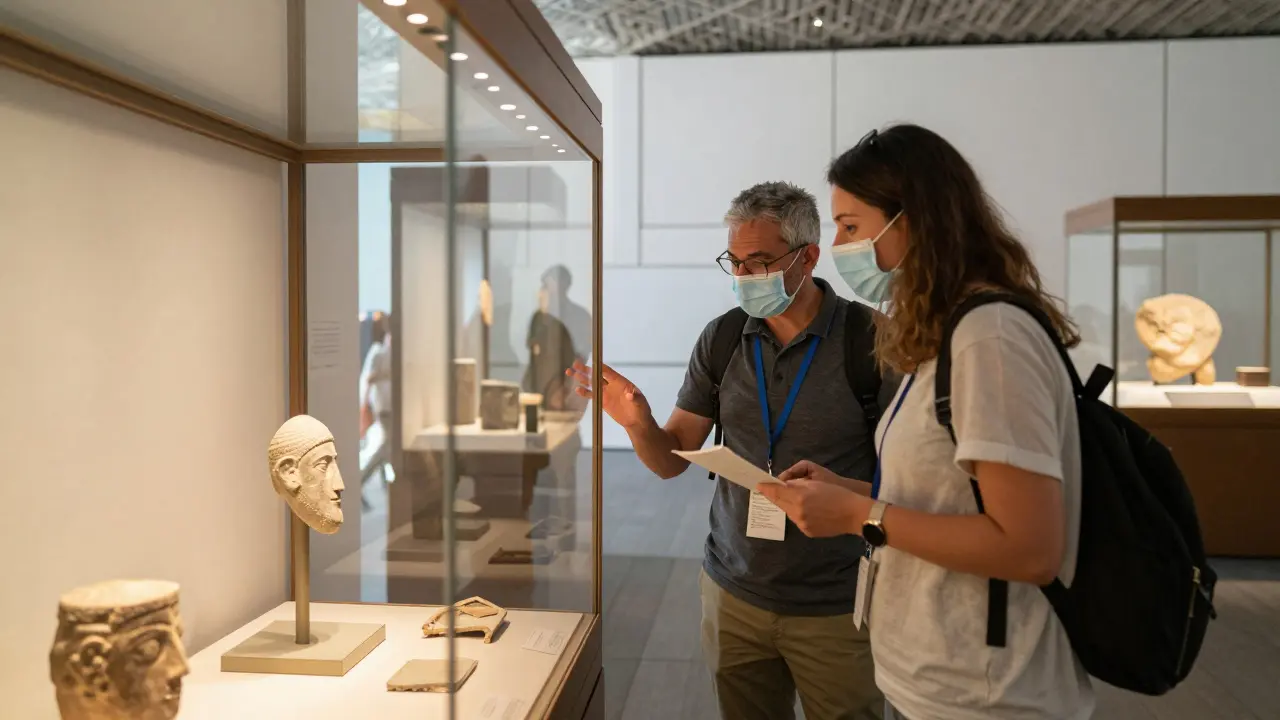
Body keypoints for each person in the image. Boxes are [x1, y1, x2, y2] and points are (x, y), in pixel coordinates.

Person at [758, 124, 1094, 720]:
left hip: (989, 693)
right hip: (942, 676)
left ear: (913, 220)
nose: (838, 246)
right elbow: (954, 497)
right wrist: (849, 492)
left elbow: (1029, 547)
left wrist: (862, 513)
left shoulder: (990, 337)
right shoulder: (945, 334)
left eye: (851, 226)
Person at [569, 181, 893, 720]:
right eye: (735, 263)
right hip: (733, 591)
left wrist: (843, 495)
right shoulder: (723, 339)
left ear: (808, 257)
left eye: (760, 262)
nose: (744, 278)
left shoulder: (871, 342)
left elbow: (909, 484)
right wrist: (637, 422)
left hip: (836, 603)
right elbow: (672, 460)